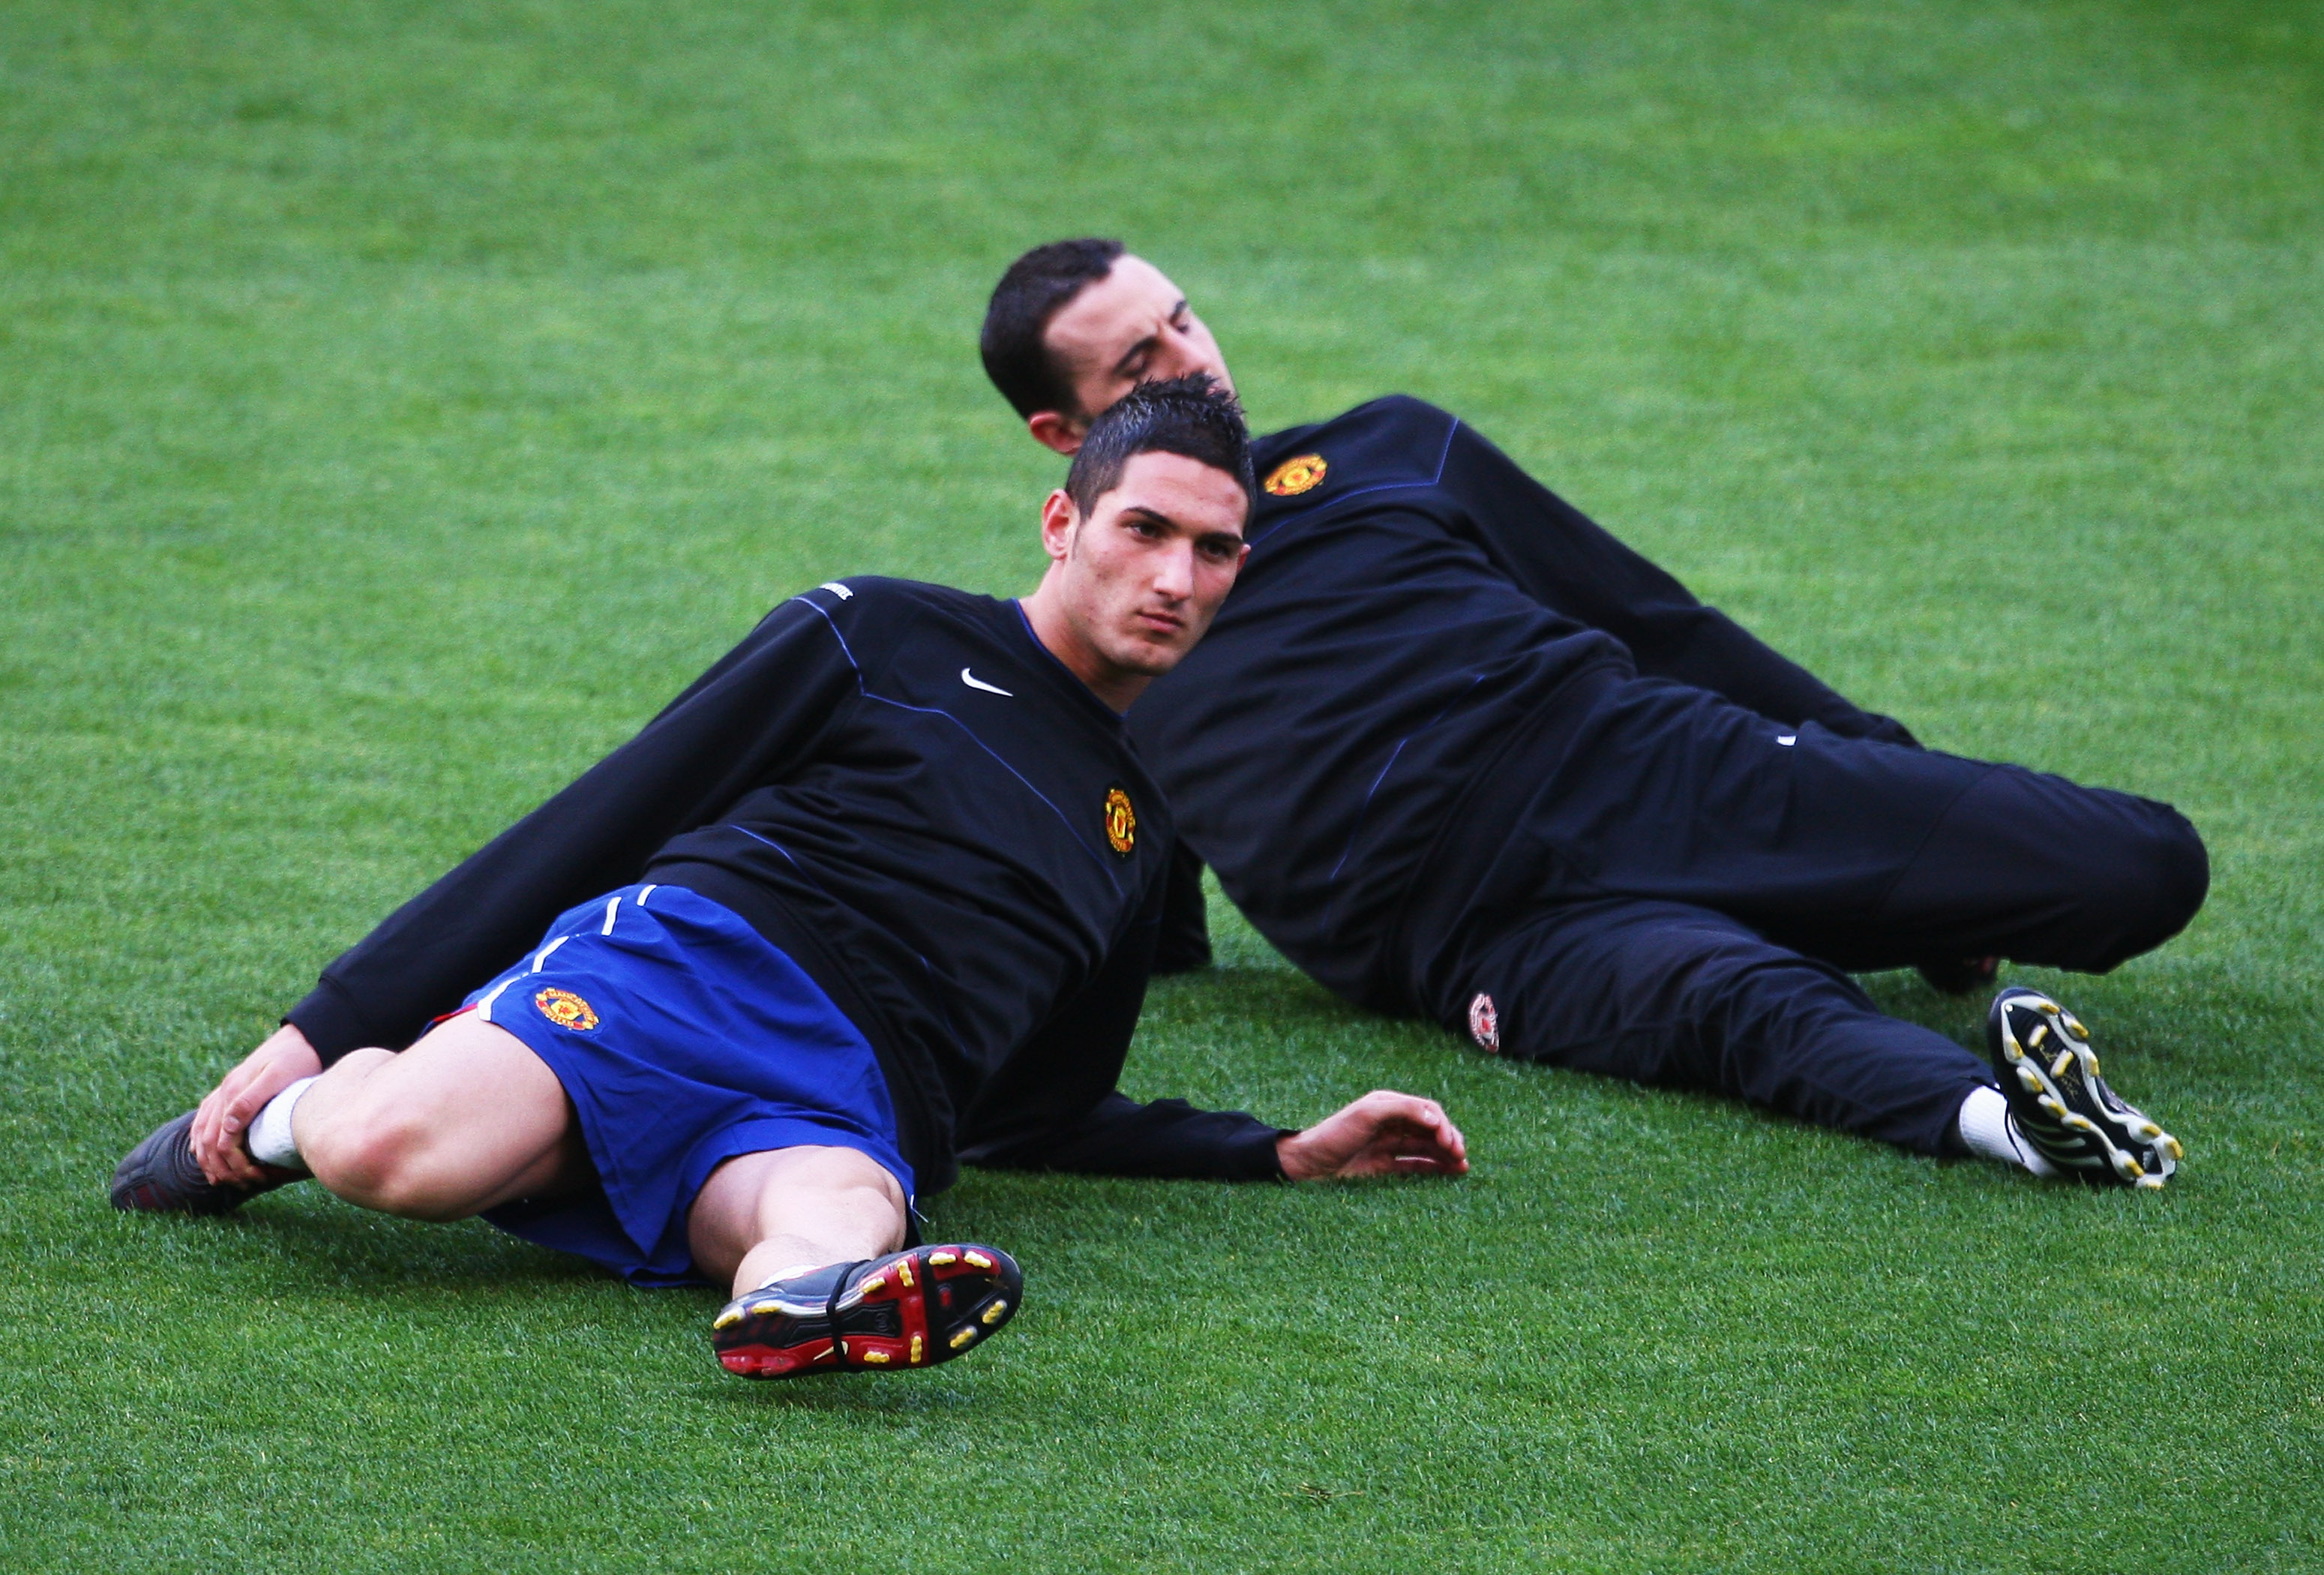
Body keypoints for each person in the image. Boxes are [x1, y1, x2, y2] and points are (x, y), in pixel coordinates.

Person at [111, 377, 1470, 1380]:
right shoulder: (881, 631)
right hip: (682, 979)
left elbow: (1045, 1113)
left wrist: (1275, 1154)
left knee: (842, 1207)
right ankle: (288, 1127)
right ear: (1063, 520)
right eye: (1144, 530)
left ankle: (807, 1309)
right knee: (392, 1155)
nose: (1175, 577)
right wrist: (317, 1030)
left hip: (857, 1100)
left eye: (1214, 550)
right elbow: (599, 820)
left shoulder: (1140, 830)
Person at [977, 240, 2206, 1190]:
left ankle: (1918, 905)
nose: (1190, 360)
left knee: (2145, 865)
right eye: (1138, 365)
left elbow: (1659, 621)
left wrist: (1882, 778)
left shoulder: (1391, 450)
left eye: (1182, 319)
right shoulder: (1107, 638)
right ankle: (2022, 1129)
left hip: (1633, 763)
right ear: (1062, 435)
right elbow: (1139, 888)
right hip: (1474, 940)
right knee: (1741, 1011)